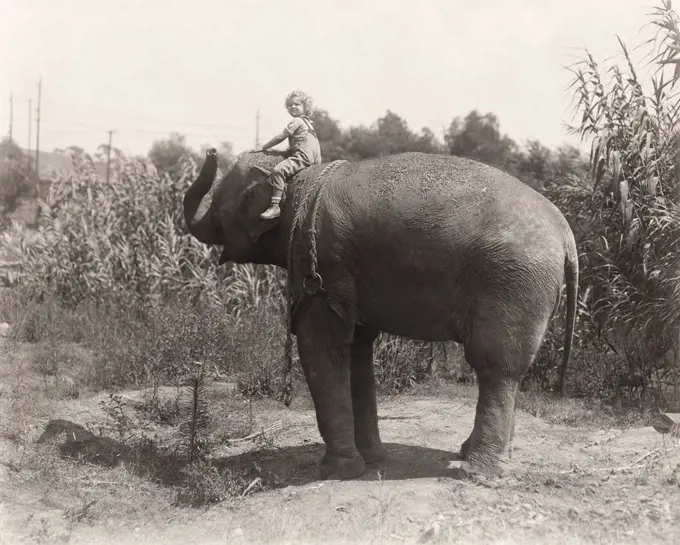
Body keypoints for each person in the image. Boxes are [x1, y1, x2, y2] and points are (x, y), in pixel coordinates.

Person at [256, 90, 323, 219]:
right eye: (290, 105)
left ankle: (275, 206)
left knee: (278, 170)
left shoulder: (297, 121)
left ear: (305, 107)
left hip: (303, 156)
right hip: (316, 159)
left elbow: (281, 136)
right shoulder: (309, 123)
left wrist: (263, 147)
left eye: (297, 104)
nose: (293, 107)